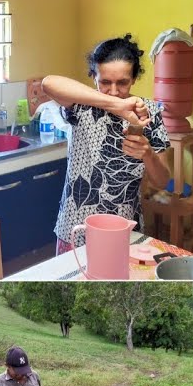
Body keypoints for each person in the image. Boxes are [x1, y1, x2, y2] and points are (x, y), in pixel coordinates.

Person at [42, 34, 171, 254]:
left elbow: (162, 181)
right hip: (76, 227)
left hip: (125, 228)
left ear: (134, 78)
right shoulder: (81, 105)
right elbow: (48, 83)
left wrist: (148, 154)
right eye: (104, 82)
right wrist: (116, 105)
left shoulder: (149, 113)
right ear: (93, 76)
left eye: (122, 82)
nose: (113, 90)